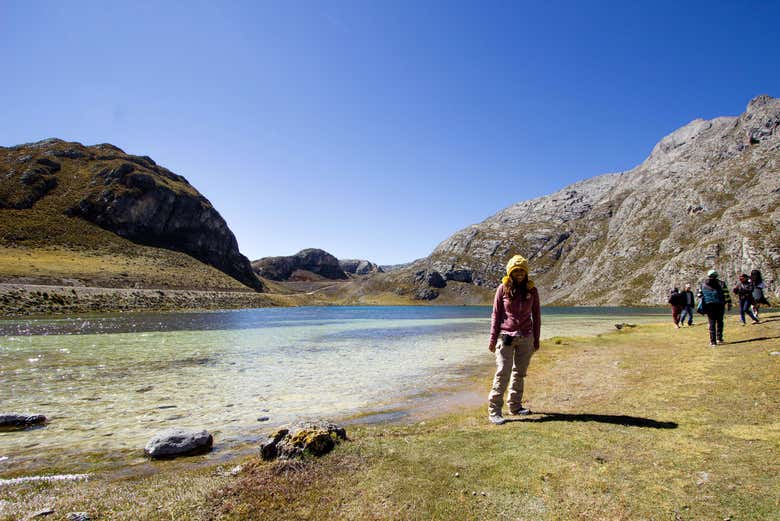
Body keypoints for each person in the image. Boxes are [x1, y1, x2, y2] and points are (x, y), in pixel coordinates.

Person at [487, 254, 541, 425]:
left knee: (520, 373)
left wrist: (536, 339)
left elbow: (536, 316)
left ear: (526, 273)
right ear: (510, 272)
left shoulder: (532, 290)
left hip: (526, 337)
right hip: (506, 337)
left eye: (522, 270)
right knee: (503, 372)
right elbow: (496, 315)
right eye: (515, 270)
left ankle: (515, 407)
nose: (519, 273)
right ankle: (494, 411)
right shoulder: (502, 289)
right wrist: (492, 339)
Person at [698, 270, 732, 347]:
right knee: (720, 321)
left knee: (712, 322)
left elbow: (699, 295)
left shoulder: (703, 284)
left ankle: (713, 342)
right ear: (716, 276)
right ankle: (719, 338)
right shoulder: (722, 283)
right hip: (720, 304)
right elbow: (726, 294)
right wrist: (729, 303)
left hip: (709, 305)